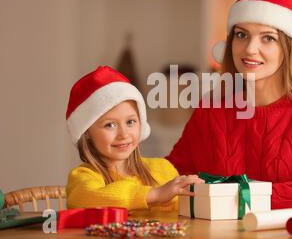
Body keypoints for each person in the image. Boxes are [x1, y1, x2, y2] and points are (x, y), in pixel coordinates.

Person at [166, 0, 292, 209]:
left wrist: (237, 197)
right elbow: (171, 173)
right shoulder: (212, 108)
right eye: (241, 34)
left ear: (287, 50)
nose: (249, 49)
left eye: (268, 38)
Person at [65, 66, 203, 210]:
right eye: (110, 125)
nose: (123, 134)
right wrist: (155, 194)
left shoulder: (163, 169)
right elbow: (88, 197)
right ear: (86, 133)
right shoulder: (83, 177)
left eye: (130, 122)